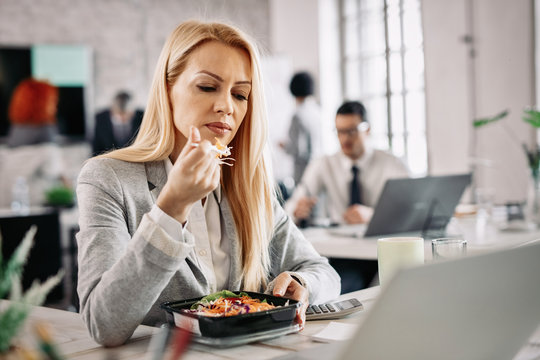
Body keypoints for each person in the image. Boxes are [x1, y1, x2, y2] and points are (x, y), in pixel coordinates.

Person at [76, 20, 340, 346]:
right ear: (168, 89)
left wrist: (303, 282)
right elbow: (104, 324)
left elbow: (324, 272)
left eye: (240, 94)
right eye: (207, 87)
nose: (226, 106)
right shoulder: (108, 180)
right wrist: (170, 209)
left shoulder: (246, 186)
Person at [285, 100, 410, 226]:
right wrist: (296, 211)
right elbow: (291, 205)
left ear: (367, 130)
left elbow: (410, 207)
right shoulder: (324, 164)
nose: (345, 138)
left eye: (351, 131)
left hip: (382, 237)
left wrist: (373, 215)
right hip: (339, 240)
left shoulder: (391, 163)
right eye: (340, 131)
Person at [0, 78, 67, 209]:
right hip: (35, 207)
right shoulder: (48, 133)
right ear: (44, 103)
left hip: (7, 206)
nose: (55, 106)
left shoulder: (15, 130)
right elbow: (55, 170)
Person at [280, 71, 322, 186]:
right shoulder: (318, 111)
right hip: (320, 169)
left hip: (304, 173)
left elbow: (298, 149)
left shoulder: (298, 115)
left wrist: (283, 146)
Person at [92, 90, 144, 156]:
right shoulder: (101, 119)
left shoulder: (143, 117)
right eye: (119, 114)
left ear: (133, 112)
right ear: (111, 110)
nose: (122, 118)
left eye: (126, 115)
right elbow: (95, 148)